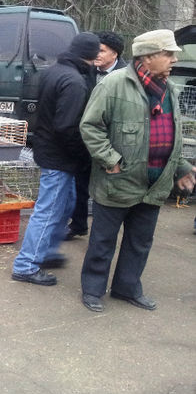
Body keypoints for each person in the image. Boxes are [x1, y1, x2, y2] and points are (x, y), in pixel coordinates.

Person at [79, 29, 195, 313]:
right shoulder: (113, 84)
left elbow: (173, 135)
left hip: (154, 184)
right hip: (118, 179)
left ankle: (126, 288)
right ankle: (93, 289)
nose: (173, 59)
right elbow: (90, 126)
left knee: (140, 242)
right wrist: (111, 160)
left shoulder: (168, 89)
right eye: (168, 53)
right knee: (103, 241)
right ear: (147, 57)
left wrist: (180, 167)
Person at [11, 32, 100, 286]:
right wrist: (82, 155)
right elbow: (66, 127)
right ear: (91, 57)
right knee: (48, 210)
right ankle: (26, 265)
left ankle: (46, 251)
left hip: (48, 149)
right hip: (59, 157)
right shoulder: (75, 82)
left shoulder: (53, 71)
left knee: (65, 204)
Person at [66, 30, 127, 240]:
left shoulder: (127, 75)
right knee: (81, 183)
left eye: (101, 50)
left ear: (115, 54)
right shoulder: (88, 70)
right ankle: (78, 224)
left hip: (114, 141)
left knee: (108, 188)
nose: (96, 54)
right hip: (89, 137)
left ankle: (105, 234)